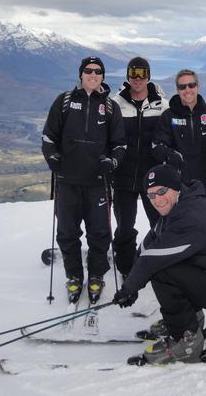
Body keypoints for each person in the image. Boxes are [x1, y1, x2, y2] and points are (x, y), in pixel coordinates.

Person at [113, 164, 206, 365]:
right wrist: (132, 278)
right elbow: (150, 243)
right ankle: (189, 321)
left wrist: (129, 289)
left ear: (175, 188)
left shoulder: (191, 216)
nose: (156, 200)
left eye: (161, 191)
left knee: (162, 271)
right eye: (151, 195)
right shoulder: (181, 204)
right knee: (167, 265)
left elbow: (153, 259)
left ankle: (186, 341)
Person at [41, 56, 126, 304]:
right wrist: (53, 158)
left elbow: (120, 144)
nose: (93, 74)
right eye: (88, 70)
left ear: (102, 76)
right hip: (67, 180)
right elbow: (49, 137)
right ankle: (74, 276)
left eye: (98, 71)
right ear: (81, 74)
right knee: (67, 233)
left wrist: (112, 162)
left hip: (97, 182)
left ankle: (97, 274)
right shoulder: (65, 101)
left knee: (99, 233)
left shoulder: (110, 107)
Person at [111, 57, 168, 279]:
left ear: (149, 76)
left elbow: (170, 137)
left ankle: (157, 261)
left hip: (152, 178)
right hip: (124, 178)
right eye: (133, 73)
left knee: (159, 224)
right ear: (127, 75)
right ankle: (126, 267)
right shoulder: (115, 104)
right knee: (125, 226)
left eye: (142, 73)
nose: (137, 78)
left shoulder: (162, 105)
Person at [152, 69, 206, 213]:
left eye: (191, 85)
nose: (187, 90)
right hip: (179, 185)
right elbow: (157, 146)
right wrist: (170, 154)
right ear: (177, 90)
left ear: (197, 86)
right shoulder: (168, 116)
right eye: (182, 87)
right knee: (183, 231)